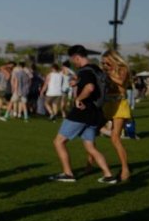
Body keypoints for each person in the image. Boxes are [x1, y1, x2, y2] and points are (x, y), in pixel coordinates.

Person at [49, 45, 117, 183]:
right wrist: (76, 83)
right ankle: (108, 175)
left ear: (76, 57)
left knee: (58, 142)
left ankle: (68, 174)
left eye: (73, 60)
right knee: (90, 147)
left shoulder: (84, 71)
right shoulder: (96, 69)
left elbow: (90, 87)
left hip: (82, 112)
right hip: (95, 113)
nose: (73, 62)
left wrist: (79, 98)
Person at [100, 49, 132, 181]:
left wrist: (108, 74)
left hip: (119, 104)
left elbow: (121, 82)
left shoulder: (122, 69)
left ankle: (125, 169)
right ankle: (89, 164)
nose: (105, 65)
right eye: (103, 63)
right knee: (91, 130)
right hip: (107, 104)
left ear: (113, 60)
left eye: (107, 63)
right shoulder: (106, 71)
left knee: (115, 138)